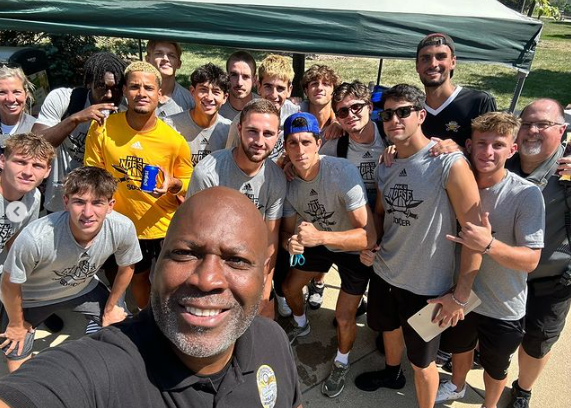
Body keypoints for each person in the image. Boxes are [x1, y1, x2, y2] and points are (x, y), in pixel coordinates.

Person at [0, 187, 303, 408]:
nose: (207, 279)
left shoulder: (272, 340)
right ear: (157, 266)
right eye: (185, 253)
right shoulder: (101, 369)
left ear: (263, 276)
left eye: (236, 260)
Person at [356, 84, 482, 408]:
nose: (394, 119)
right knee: (389, 331)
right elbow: (382, 214)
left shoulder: (448, 163)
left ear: (421, 115)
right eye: (387, 114)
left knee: (423, 364)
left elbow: (476, 233)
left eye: (403, 112)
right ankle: (390, 373)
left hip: (427, 286)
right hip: (385, 273)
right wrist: (373, 244)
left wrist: (460, 295)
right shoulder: (386, 164)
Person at [435, 112, 545, 408]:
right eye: (482, 143)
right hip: (462, 293)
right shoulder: (457, 180)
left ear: (513, 150)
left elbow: (531, 260)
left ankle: (490, 404)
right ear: (468, 145)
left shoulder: (527, 195)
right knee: (459, 347)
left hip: (503, 303)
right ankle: (457, 386)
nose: (488, 152)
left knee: (496, 366)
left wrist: (488, 244)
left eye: (498, 145)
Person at [0, 166, 142, 372]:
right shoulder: (37, 237)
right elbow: (9, 283)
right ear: (65, 202)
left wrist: (112, 307)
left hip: (82, 289)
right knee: (15, 349)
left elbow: (127, 266)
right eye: (79, 202)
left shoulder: (122, 227)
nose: (88, 212)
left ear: (111, 205)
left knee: (122, 329)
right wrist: (16, 322)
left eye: (97, 203)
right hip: (33, 297)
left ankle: (97, 369)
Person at [84, 61, 193, 310]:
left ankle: (169, 316)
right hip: (123, 225)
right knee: (137, 276)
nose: (141, 93)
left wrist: (173, 184)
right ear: (124, 90)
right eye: (134, 87)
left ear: (159, 94)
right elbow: (92, 174)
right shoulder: (103, 128)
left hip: (164, 225)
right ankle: (145, 315)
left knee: (170, 278)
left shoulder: (173, 140)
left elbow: (189, 181)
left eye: (148, 88)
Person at [281, 112, 375, 398]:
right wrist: (291, 244)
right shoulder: (288, 181)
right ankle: (301, 323)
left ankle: (342, 362)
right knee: (289, 288)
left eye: (306, 142)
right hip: (317, 241)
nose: (300, 150)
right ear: (285, 147)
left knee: (344, 317)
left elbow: (369, 236)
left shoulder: (342, 171)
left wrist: (319, 237)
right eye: (293, 143)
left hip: (349, 244)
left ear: (318, 143)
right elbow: (287, 233)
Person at [187, 99, 286, 318]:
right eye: (252, 131)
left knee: (263, 319)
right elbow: (196, 233)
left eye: (268, 133)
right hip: (213, 256)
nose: (259, 141)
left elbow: (271, 238)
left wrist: (265, 286)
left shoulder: (276, 179)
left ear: (277, 136)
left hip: (250, 259)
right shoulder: (208, 172)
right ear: (239, 129)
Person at [506, 99, 571, 408]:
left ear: (562, 130)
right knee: (494, 330)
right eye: (526, 123)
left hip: (550, 281)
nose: (531, 131)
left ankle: (522, 389)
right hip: (502, 274)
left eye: (542, 125)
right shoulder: (503, 160)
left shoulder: (569, 170)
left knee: (536, 342)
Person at [32, 52, 127, 213]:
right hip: (59, 200)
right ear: (89, 83)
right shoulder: (63, 99)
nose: (110, 95)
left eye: (116, 88)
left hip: (99, 205)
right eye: (102, 87)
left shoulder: (126, 110)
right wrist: (74, 119)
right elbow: (35, 145)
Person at [416, 33, 497, 148]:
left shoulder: (479, 102)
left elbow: (492, 152)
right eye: (425, 58)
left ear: (453, 62)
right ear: (417, 66)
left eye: (441, 57)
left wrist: (459, 152)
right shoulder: (413, 109)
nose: (433, 64)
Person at [225, 54, 299, 162]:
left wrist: (334, 121)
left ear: (289, 90)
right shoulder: (243, 119)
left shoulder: (295, 114)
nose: (274, 95)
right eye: (268, 87)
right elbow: (229, 158)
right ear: (259, 87)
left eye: (280, 88)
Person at [0, 133, 54, 274]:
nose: (28, 172)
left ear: (47, 171)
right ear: (2, 161)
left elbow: (16, 241)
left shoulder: (33, 197)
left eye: (37, 165)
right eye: (20, 162)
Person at [168, 63, 231, 166]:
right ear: (192, 91)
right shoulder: (172, 126)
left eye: (216, 92)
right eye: (203, 90)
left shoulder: (229, 130)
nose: (209, 98)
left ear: (225, 97)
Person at [145, 40, 194, 118]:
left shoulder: (190, 101)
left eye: (171, 55)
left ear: (179, 64)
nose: (165, 58)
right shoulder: (135, 96)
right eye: (159, 54)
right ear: (148, 60)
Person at [0, 67, 36, 151]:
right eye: (2, 92)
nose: (11, 99)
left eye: (17, 92)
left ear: (26, 95)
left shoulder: (36, 130)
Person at [299, 64, 340, 140]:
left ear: (334, 91)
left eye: (325, 84)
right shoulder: (296, 112)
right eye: (314, 84)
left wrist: (337, 122)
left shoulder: (343, 119)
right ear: (306, 91)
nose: (320, 88)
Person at [219, 51, 259, 120]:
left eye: (245, 76)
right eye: (234, 75)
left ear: (254, 80)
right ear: (226, 77)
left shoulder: (263, 109)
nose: (239, 83)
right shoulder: (215, 107)